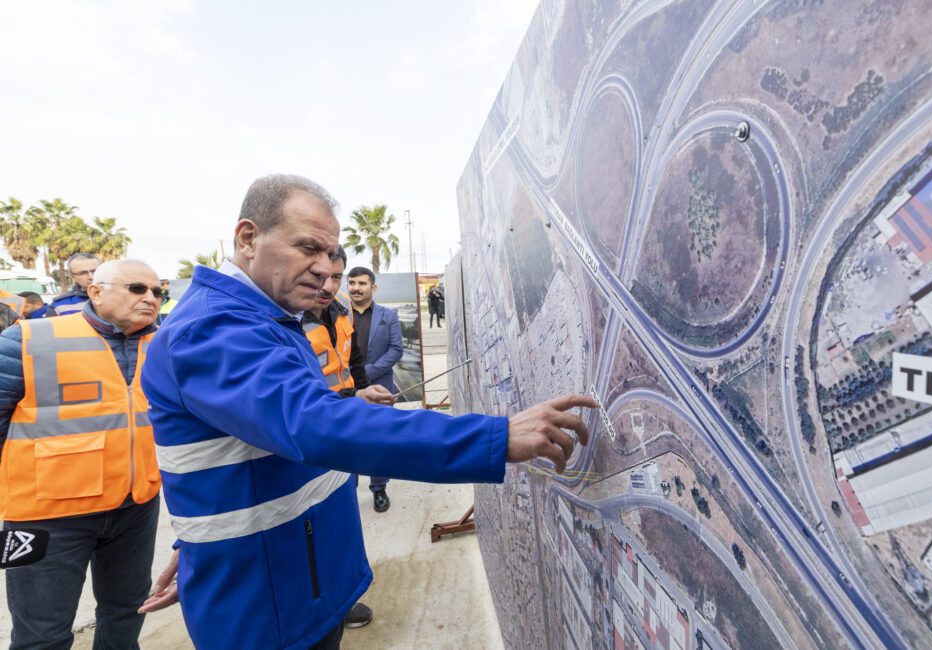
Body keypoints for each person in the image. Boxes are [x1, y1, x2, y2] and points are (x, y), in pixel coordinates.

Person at [138, 174, 594, 650]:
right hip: (270, 609)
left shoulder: (264, 316)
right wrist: (493, 439)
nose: (323, 268)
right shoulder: (214, 327)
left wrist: (198, 541)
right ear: (248, 237)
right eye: (307, 247)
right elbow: (313, 426)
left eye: (329, 253)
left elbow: (253, 441)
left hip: (294, 582)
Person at [0, 259, 164, 649]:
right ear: (96, 291)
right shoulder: (26, 339)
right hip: (45, 516)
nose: (151, 298)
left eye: (158, 292)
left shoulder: (166, 345)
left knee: (127, 613)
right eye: (137, 289)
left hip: (135, 507)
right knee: (42, 635)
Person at [304, 247, 378, 629]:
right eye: (322, 277)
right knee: (314, 526)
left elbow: (354, 362)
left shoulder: (340, 312)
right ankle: (323, 606)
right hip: (312, 437)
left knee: (344, 516)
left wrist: (364, 399)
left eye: (337, 277)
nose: (329, 286)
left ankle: (343, 598)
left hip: (345, 427)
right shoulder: (287, 322)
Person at [346, 266, 403, 513]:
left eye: (361, 283)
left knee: (379, 439)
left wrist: (366, 374)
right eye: (351, 283)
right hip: (345, 389)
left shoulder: (388, 316)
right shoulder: (338, 315)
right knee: (348, 438)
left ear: (373, 287)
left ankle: (379, 488)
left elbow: (395, 349)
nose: (356, 288)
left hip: (379, 386)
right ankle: (348, 489)